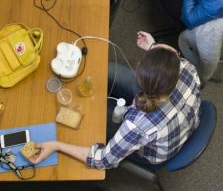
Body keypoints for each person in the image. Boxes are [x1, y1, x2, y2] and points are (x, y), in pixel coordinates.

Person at [29, 31, 201, 169]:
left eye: (141, 63)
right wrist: (153, 46)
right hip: (179, 123)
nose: (139, 62)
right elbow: (172, 53)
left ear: (142, 80)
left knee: (93, 115)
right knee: (110, 71)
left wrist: (56, 145)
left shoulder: (137, 124)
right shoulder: (186, 68)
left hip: (154, 150)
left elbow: (102, 160)